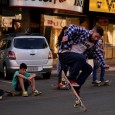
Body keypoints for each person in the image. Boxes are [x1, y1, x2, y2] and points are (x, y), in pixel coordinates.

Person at [58, 24, 109, 96]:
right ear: (92, 32)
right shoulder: (84, 32)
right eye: (96, 36)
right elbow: (72, 27)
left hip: (76, 60)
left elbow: (98, 53)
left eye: (98, 38)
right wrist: (67, 36)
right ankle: (71, 78)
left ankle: (77, 87)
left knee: (88, 68)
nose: (96, 39)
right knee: (81, 58)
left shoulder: (94, 43)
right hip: (65, 54)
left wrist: (103, 64)